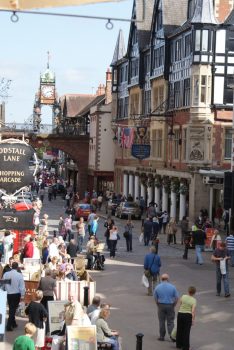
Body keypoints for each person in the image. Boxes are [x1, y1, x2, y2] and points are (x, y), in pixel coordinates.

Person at [154, 273, 179, 341]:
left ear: (162, 279)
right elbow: (177, 297)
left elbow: (155, 297)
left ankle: (162, 336)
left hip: (161, 305)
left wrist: (158, 304)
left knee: (161, 321)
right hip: (170, 305)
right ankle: (172, 336)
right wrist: (174, 304)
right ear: (167, 279)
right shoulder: (172, 287)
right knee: (170, 321)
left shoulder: (157, 287)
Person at [3, 262, 25, 331]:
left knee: (11, 309)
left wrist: (4, 290)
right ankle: (8, 326)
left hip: (9, 294)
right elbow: (22, 286)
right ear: (17, 267)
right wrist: (22, 295)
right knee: (12, 310)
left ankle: (13, 323)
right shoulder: (19, 275)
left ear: (11, 266)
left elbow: (3, 284)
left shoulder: (6, 274)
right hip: (16, 294)